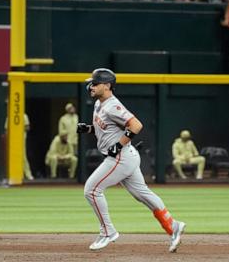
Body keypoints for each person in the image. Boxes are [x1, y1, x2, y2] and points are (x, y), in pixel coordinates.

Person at [77, 68, 185, 252]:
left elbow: (136, 125)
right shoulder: (98, 104)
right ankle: (173, 226)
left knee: (92, 190)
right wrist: (88, 129)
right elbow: (106, 129)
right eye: (91, 82)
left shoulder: (112, 105)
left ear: (107, 85)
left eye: (95, 83)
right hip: (127, 156)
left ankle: (107, 232)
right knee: (142, 194)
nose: (91, 86)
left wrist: (118, 146)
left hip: (120, 157)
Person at [4, 113, 34, 180]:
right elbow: (6, 129)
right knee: (11, 157)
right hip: (12, 139)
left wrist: (19, 127)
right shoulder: (9, 116)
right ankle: (13, 175)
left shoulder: (24, 116)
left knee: (23, 156)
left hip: (21, 138)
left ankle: (28, 175)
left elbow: (27, 127)